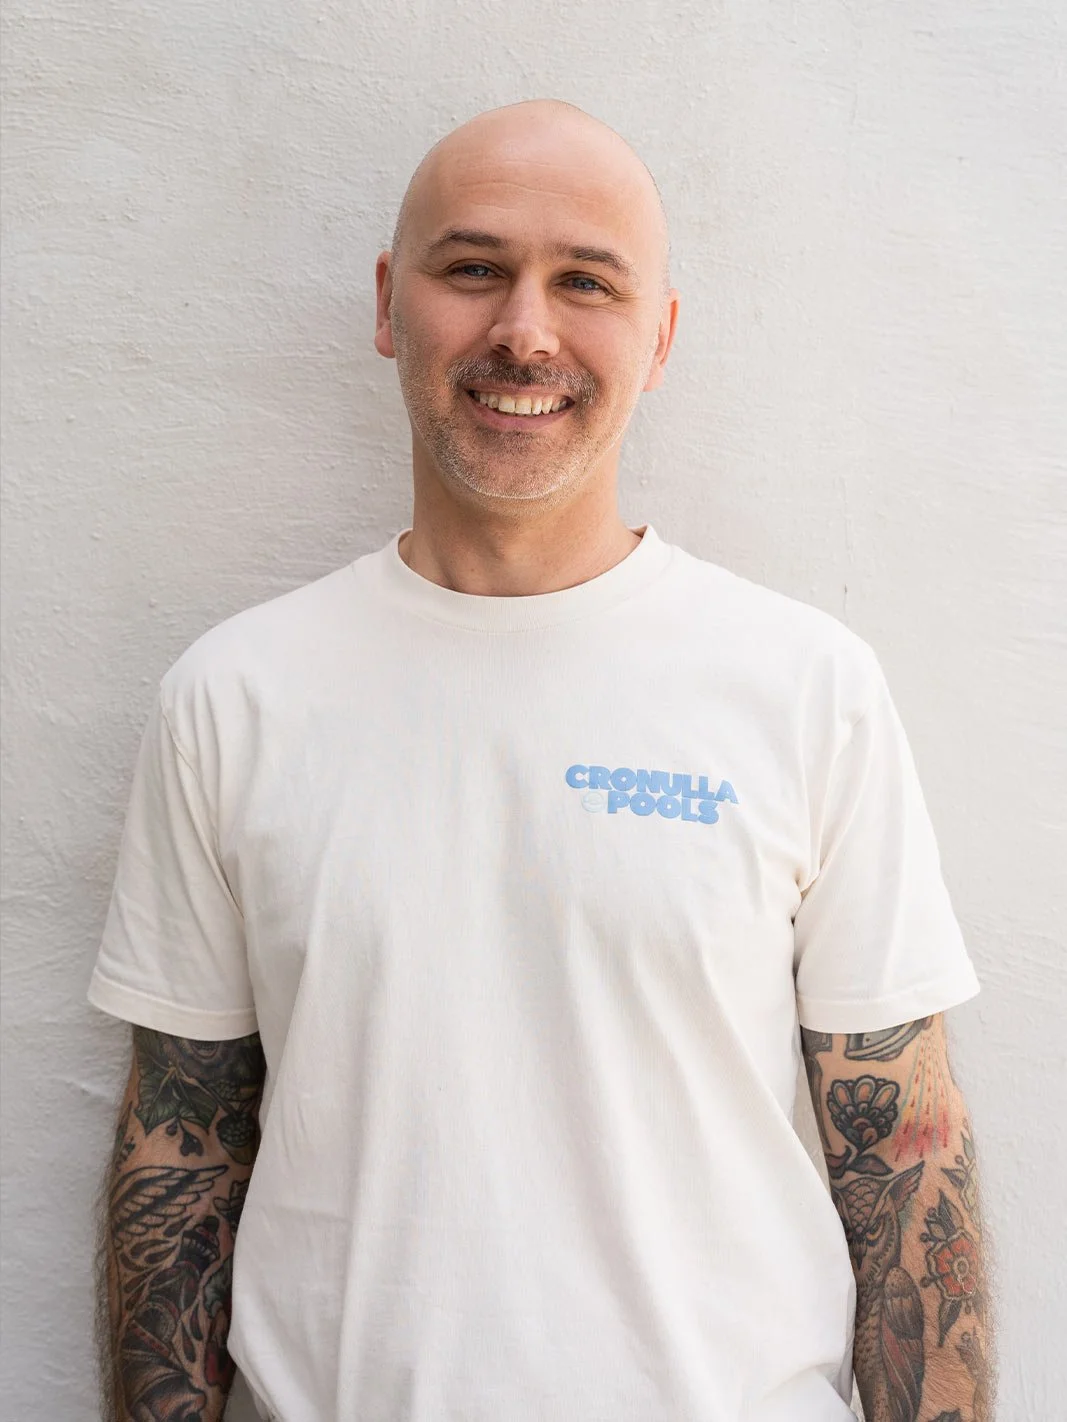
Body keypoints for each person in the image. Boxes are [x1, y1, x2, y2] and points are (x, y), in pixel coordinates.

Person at [91, 99, 994, 1422]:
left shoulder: (806, 689)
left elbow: (907, 1167)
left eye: (586, 282)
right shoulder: (233, 699)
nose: (526, 329)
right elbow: (181, 1159)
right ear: (390, 304)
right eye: (474, 268)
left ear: (659, 336)